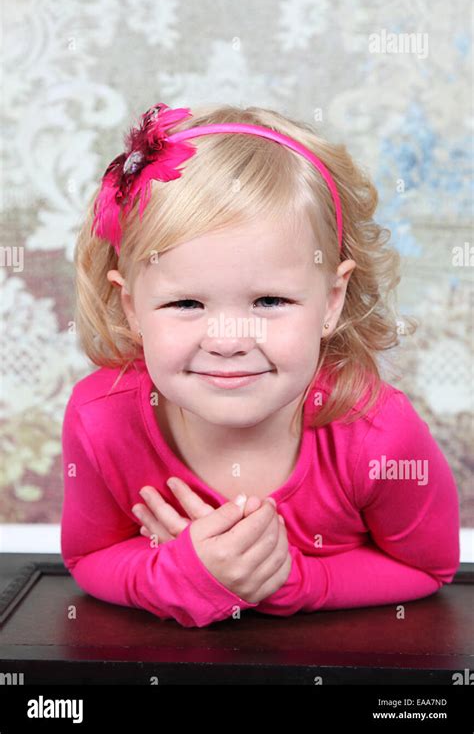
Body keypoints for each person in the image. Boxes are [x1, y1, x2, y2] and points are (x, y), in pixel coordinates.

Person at [60, 102, 460, 628]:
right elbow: (88, 558)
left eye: (269, 301)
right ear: (133, 308)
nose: (228, 341)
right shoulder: (100, 420)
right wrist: (177, 574)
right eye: (186, 304)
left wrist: (288, 581)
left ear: (332, 300)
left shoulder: (378, 436)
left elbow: (429, 568)